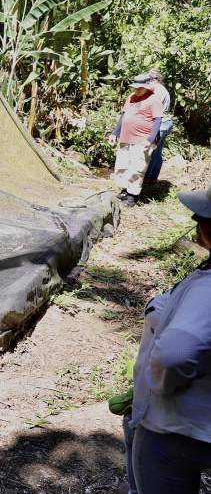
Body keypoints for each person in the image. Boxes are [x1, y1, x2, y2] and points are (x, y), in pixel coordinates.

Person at [128, 185, 211, 493]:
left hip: (178, 423)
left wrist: (158, 382)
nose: (195, 219)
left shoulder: (207, 291)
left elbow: (175, 354)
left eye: (202, 216)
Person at [109, 74, 163, 207]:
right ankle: (125, 190)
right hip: (125, 137)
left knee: (136, 168)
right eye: (135, 87)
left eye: (140, 87)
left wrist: (150, 139)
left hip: (141, 139)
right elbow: (123, 116)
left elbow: (157, 120)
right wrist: (114, 134)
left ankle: (133, 195)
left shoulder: (153, 99)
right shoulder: (130, 97)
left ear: (147, 87)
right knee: (122, 165)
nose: (137, 90)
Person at [143, 69, 175, 185]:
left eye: (149, 80)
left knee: (151, 152)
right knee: (157, 153)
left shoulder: (158, 91)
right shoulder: (163, 90)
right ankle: (153, 178)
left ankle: (146, 178)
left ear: (155, 80)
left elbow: (152, 109)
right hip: (167, 122)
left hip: (161, 123)